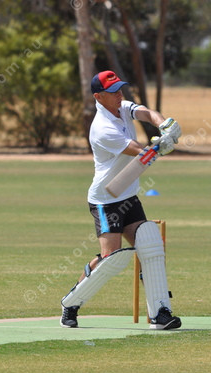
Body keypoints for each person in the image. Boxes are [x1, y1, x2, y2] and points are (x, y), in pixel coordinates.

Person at [60, 70, 182, 330]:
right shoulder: (102, 129)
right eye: (113, 91)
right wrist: (160, 147)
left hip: (127, 193)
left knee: (150, 246)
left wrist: (165, 124)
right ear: (98, 97)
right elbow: (138, 152)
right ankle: (70, 304)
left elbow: (146, 113)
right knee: (111, 258)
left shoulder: (121, 107)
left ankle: (160, 314)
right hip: (106, 199)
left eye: (120, 89)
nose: (119, 95)